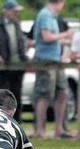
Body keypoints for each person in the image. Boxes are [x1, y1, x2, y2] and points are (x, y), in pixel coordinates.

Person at [32, 0, 73, 139]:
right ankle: (40, 130)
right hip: (45, 60)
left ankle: (59, 129)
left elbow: (53, 39)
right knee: (44, 95)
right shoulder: (45, 15)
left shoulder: (53, 16)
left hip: (56, 60)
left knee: (63, 93)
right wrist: (65, 35)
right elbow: (47, 37)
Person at [0, 0, 27, 122]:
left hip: (18, 66)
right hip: (2, 67)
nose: (17, 13)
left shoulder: (17, 24)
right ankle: (0, 122)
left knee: (17, 96)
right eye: (14, 11)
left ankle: (17, 123)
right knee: (2, 96)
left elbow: (21, 42)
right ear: (6, 11)